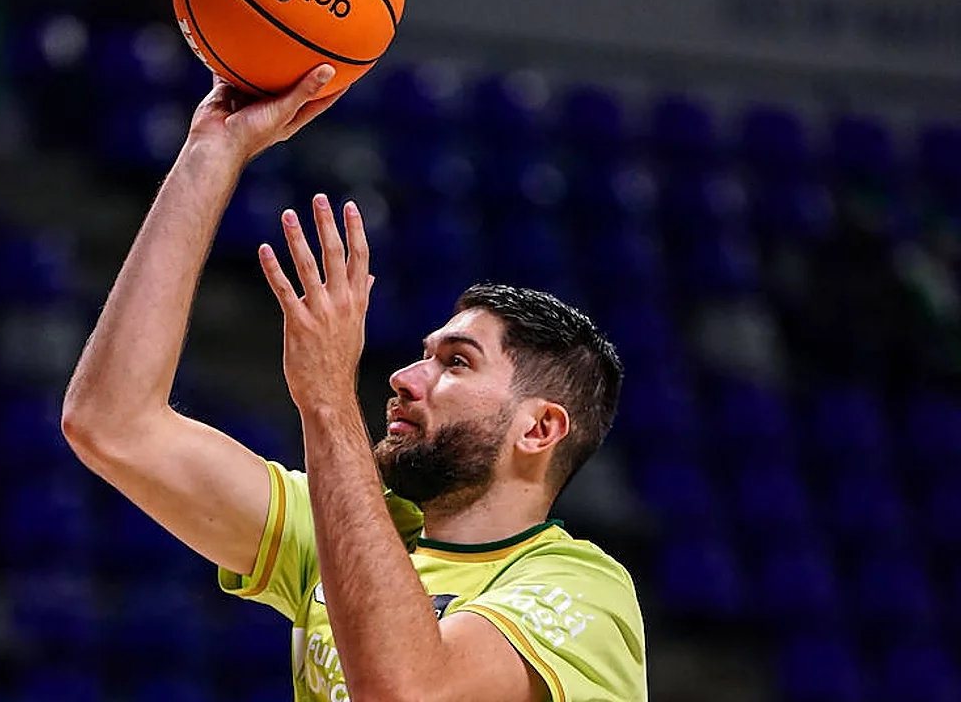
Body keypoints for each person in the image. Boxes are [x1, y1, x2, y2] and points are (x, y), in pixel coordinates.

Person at [62, 65, 647, 701]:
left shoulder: (585, 591)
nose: (402, 376)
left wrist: (328, 396)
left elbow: (406, 692)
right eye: (425, 354)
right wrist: (213, 151)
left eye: (455, 362)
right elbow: (112, 422)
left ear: (539, 427)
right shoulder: (352, 529)